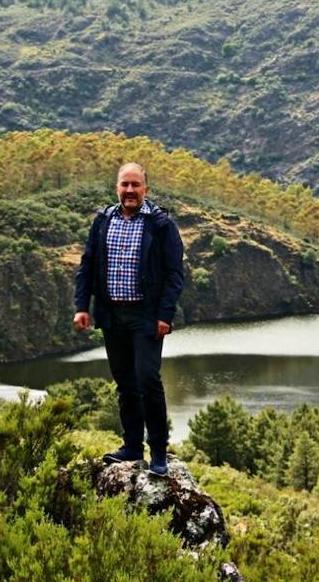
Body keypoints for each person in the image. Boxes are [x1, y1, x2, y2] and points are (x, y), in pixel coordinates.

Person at [73, 162, 185, 476]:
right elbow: (88, 265)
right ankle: (132, 445)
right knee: (125, 383)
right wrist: (83, 306)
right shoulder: (103, 221)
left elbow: (175, 275)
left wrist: (165, 314)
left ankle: (159, 452)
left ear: (145, 189)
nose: (130, 191)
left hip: (146, 317)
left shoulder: (161, 224)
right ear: (117, 188)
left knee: (148, 379)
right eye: (125, 185)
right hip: (112, 315)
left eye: (136, 185)